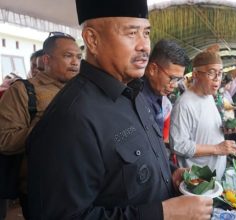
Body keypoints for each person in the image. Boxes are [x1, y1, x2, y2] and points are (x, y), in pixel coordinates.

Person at [26, 0, 212, 219]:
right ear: (92, 40)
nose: (144, 46)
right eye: (131, 33)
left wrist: (171, 174)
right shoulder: (71, 119)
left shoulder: (134, 93)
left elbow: (131, 169)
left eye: (147, 33)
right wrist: (162, 214)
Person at [0, 32, 81, 218]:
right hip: (42, 190)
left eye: (78, 56)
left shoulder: (84, 89)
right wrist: (44, 125)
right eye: (68, 56)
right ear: (46, 59)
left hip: (82, 184)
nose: (75, 62)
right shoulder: (22, 91)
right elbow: (4, 141)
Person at [170, 45, 236, 180]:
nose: (217, 79)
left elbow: (203, 130)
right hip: (197, 182)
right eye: (211, 73)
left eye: (220, 73)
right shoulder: (185, 104)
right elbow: (178, 145)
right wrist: (217, 149)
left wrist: (225, 130)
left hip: (213, 180)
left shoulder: (208, 97)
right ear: (195, 74)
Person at [142, 39, 190, 131]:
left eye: (179, 79)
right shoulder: (137, 100)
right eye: (172, 78)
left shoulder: (157, 94)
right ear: (153, 69)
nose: (175, 85)